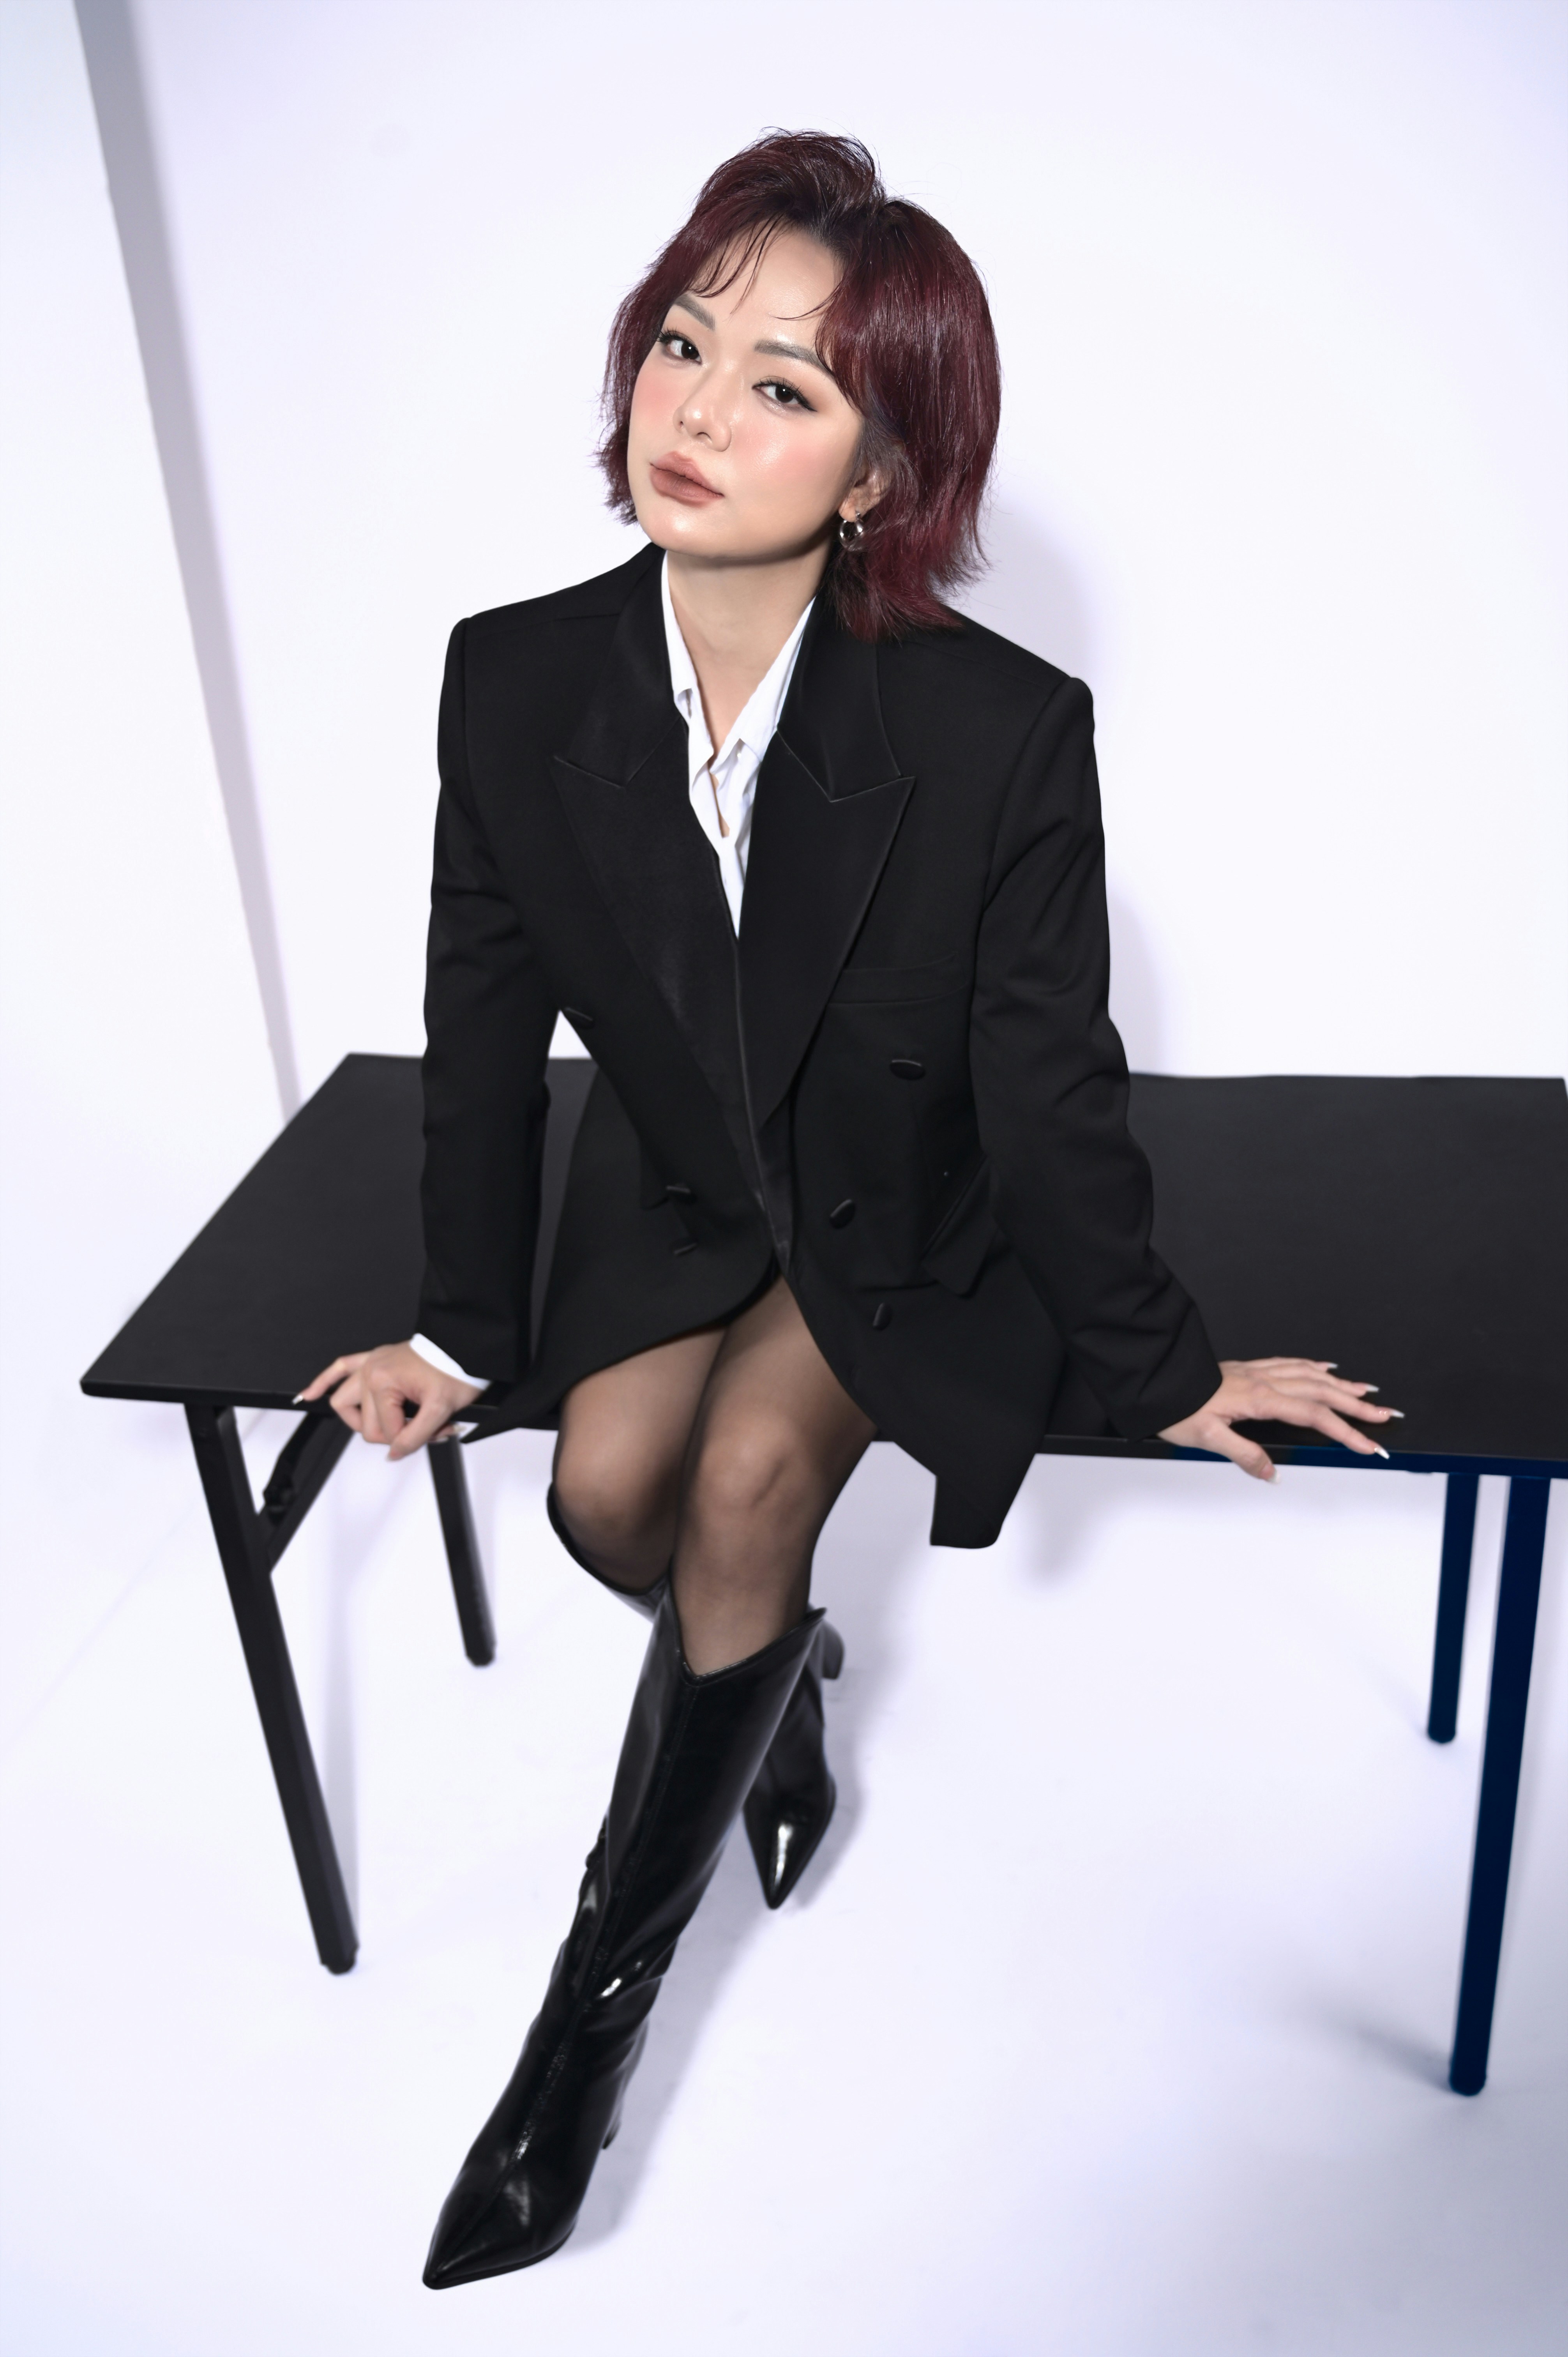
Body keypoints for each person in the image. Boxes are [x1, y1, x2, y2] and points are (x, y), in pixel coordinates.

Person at [302, 132, 1395, 2286]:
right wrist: (450, 1323)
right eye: (683, 344)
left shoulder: (997, 736)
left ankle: (567, 2060)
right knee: (602, 1494)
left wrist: (1158, 1364)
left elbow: (1045, 1081)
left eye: (784, 386)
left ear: (886, 469)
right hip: (689, 1181)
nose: (698, 412)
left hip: (910, 1199)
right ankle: (774, 1681)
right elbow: (479, 1011)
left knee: (735, 1483)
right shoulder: (512, 680)